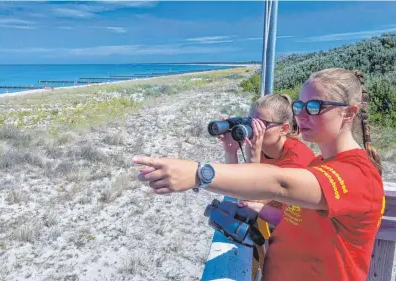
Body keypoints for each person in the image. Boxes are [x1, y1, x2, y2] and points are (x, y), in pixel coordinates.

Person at [134, 68, 385, 281]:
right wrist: (255, 208)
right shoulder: (320, 163)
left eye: (315, 106)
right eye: (299, 105)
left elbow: (279, 183)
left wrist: (201, 174)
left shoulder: (359, 176)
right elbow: (295, 220)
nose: (302, 114)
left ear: (349, 113)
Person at [218, 94, 316, 278]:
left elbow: (250, 202)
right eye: (251, 123)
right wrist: (230, 151)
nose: (255, 131)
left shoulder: (296, 161)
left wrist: (254, 158)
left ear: (284, 129)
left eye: (262, 125)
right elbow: (239, 191)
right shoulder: (265, 148)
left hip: (300, 246)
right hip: (274, 231)